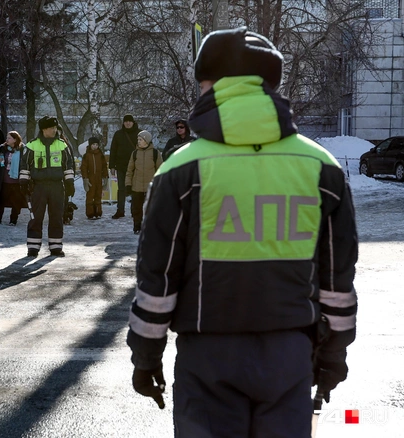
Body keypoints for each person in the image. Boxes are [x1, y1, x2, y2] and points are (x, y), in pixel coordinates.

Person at [126, 27, 358, 438]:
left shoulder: (181, 169)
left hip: (207, 356)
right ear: (270, 85)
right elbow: (337, 279)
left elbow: (158, 281)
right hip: (290, 355)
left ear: (210, 84)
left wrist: (146, 357)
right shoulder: (322, 167)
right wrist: (333, 355)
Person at [20, 116, 75, 257]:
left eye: (55, 127)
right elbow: (24, 165)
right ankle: (33, 247)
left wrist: (69, 182)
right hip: (38, 187)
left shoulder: (62, 145)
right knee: (36, 217)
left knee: (57, 216)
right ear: (44, 129)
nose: (55, 130)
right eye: (52, 128)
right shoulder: (32, 145)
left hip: (57, 186)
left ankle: (56, 247)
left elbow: (68, 165)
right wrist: (23, 183)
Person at [125, 130, 162, 234]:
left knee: (151, 209)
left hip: (151, 187)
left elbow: (161, 170)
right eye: (138, 139)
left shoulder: (155, 153)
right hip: (137, 187)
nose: (138, 141)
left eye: (140, 139)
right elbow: (129, 170)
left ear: (146, 140)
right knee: (136, 209)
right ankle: (137, 226)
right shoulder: (135, 153)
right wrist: (128, 184)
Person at [109, 114, 140, 219]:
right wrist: (112, 166)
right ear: (123, 123)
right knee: (121, 189)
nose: (128, 123)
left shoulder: (139, 134)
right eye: (126, 121)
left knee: (135, 189)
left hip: (136, 166)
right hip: (121, 166)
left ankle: (135, 211)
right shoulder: (118, 134)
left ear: (133, 122)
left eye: (129, 121)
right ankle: (120, 210)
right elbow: (113, 150)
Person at [0, 131, 25, 225]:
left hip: (17, 181)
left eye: (9, 138)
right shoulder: (3, 148)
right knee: (1, 200)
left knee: (16, 201)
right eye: (7, 137)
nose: (7, 140)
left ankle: (13, 219)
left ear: (15, 139)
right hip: (4, 179)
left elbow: (25, 163)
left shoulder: (22, 149)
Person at [80, 136, 109, 219]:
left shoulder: (100, 155)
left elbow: (104, 166)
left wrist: (105, 176)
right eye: (93, 144)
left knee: (98, 196)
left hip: (99, 178)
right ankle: (90, 213)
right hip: (90, 178)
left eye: (96, 144)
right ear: (90, 145)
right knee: (90, 195)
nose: (95, 146)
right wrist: (85, 178)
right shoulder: (87, 155)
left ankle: (98, 212)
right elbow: (84, 167)